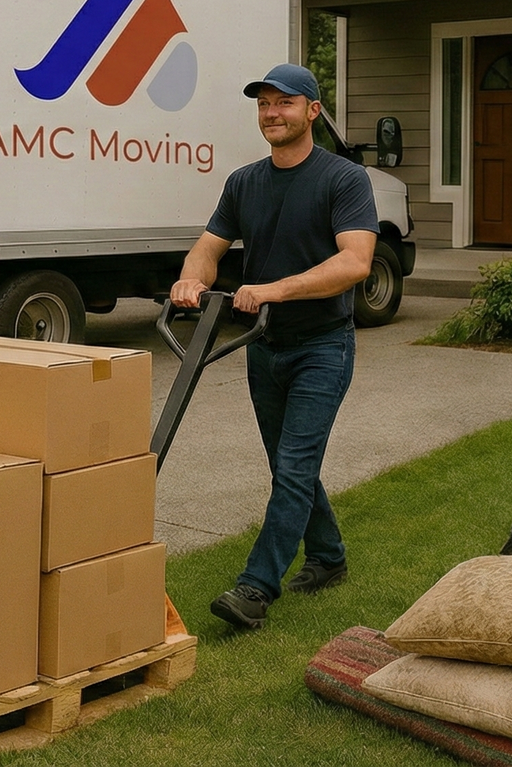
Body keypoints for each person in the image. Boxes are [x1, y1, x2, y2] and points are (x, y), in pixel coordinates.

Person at [171, 63, 378, 630]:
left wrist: (271, 291)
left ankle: (256, 588)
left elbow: (355, 263)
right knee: (293, 469)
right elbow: (208, 246)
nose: (271, 113)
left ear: (312, 111)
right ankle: (329, 558)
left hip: (322, 346)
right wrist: (192, 277)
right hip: (264, 347)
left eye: (284, 103)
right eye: (263, 104)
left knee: (291, 468)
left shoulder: (343, 179)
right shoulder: (244, 182)